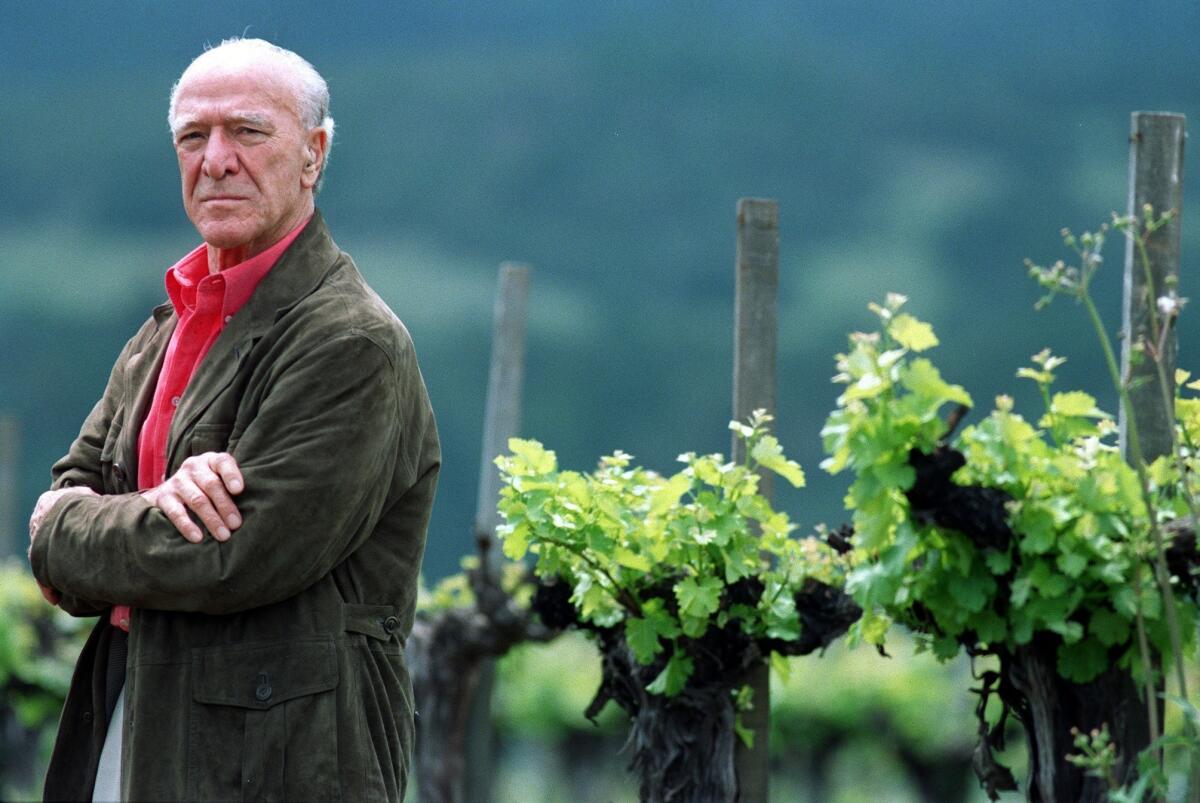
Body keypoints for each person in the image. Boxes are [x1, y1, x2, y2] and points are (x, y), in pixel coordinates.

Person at [26, 37, 440, 802]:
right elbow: (60, 520)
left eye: (247, 131)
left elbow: (236, 557)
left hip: (281, 761)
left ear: (314, 154)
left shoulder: (351, 341)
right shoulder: (167, 325)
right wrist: (138, 513)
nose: (215, 158)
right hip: (132, 718)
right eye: (193, 136)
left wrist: (73, 526)